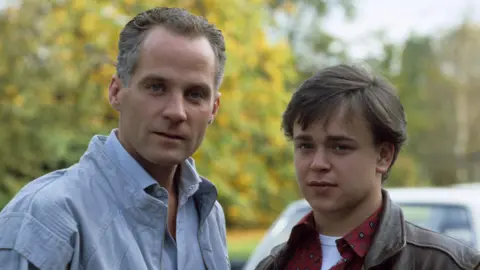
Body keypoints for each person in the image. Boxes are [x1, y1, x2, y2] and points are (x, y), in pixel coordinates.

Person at [0, 7, 230, 270]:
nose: (176, 112)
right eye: (156, 87)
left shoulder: (208, 214)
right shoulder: (43, 220)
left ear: (213, 108)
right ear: (116, 92)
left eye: (195, 94)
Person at [255, 64, 480, 270]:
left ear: (383, 156)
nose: (318, 163)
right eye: (305, 145)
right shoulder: (273, 266)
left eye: (340, 147)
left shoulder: (446, 265)